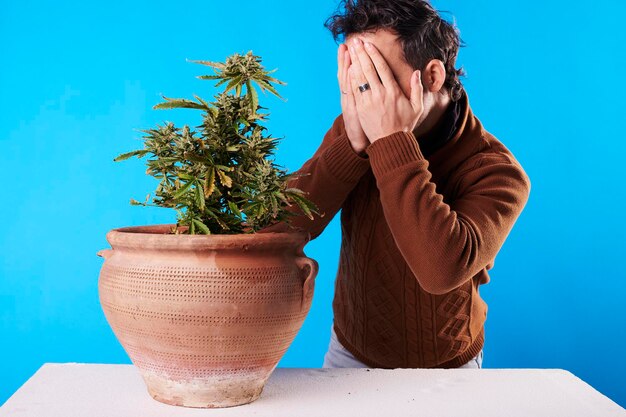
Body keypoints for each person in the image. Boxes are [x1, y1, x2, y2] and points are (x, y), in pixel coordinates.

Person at [258, 0, 530, 369]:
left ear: (432, 76)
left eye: (379, 76)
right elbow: (274, 229)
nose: (365, 97)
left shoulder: (497, 172)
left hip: (448, 362)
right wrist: (351, 148)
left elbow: (440, 271)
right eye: (358, 78)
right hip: (351, 351)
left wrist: (391, 143)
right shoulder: (356, 129)